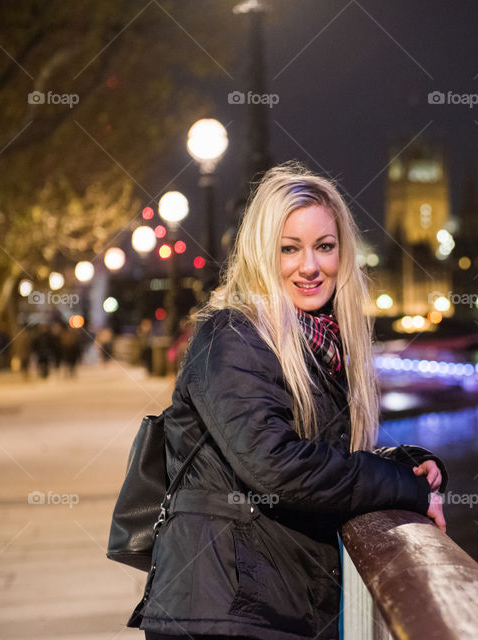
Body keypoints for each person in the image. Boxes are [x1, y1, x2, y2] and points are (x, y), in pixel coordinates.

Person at [129, 162, 448, 640]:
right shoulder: (234, 337)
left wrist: (405, 466)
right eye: (289, 249)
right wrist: (403, 489)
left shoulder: (318, 344)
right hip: (224, 611)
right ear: (261, 253)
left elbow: (316, 452)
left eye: (325, 247)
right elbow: (276, 465)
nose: (311, 266)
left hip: (270, 602)